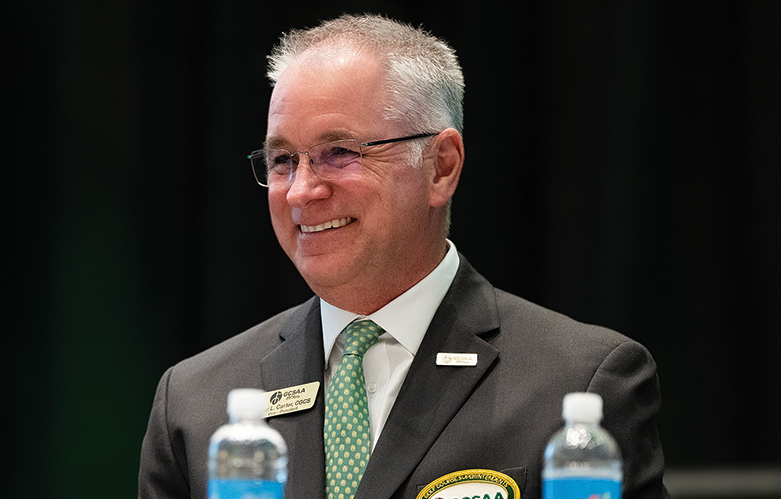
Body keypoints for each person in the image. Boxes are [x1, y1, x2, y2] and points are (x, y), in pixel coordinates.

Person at [139, 14, 669, 499]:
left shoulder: (578, 382)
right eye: (282, 160)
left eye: (339, 152)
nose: (301, 191)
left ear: (441, 167)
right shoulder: (194, 404)